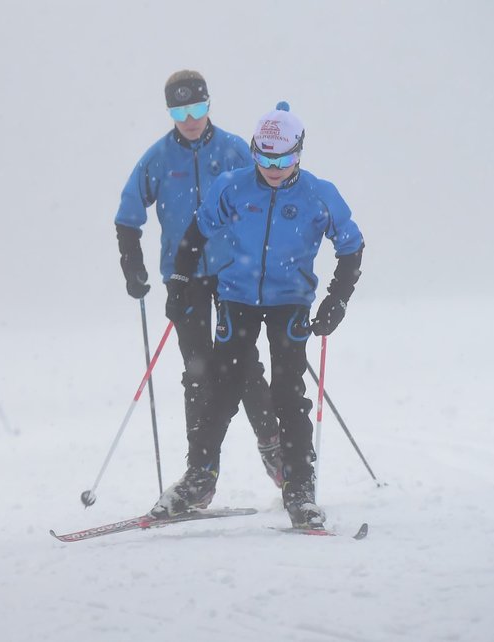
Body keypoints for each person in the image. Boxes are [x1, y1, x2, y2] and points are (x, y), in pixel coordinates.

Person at [151, 102, 365, 528]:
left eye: (282, 158)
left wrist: (336, 300)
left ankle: (299, 488)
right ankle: (199, 478)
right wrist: (180, 279)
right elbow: (196, 232)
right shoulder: (233, 187)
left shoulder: (318, 194)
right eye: (263, 156)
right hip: (238, 298)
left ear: (299, 152)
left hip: (290, 302)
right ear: (253, 150)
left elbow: (351, 247)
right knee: (221, 388)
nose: (272, 166)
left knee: (288, 394)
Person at [114, 70, 282, 486]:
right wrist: (131, 263)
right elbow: (128, 214)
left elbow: (268, 198)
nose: (190, 118)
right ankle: (201, 475)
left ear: (210, 105)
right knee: (197, 373)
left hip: (233, 276)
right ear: (170, 111)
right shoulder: (157, 158)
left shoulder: (234, 151)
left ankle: (277, 453)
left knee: (243, 367)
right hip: (183, 278)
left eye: (198, 108)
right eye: (180, 109)